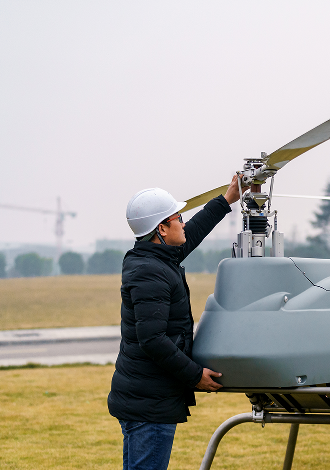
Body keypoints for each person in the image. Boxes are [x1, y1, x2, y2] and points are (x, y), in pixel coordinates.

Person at [108, 175, 248, 470]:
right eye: (178, 218)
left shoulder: (153, 259)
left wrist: (226, 200)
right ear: (161, 228)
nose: (183, 223)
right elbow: (153, 340)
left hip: (145, 398)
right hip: (150, 404)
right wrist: (195, 375)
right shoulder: (151, 273)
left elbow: (191, 234)